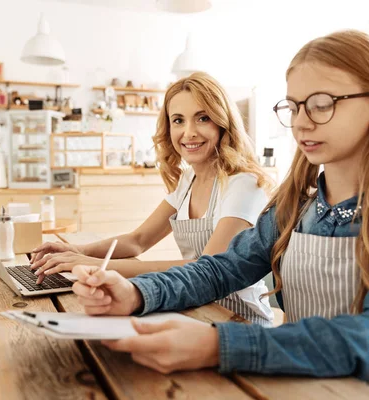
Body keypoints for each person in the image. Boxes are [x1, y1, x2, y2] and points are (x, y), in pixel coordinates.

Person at [69, 30, 369, 399]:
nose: (300, 121)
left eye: (321, 104)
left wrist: (217, 344)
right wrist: (137, 292)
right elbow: (219, 269)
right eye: (294, 106)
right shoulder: (293, 207)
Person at [31, 72, 274, 325]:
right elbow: (138, 240)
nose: (189, 132)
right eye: (178, 120)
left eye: (202, 118)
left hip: (238, 321)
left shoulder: (243, 184)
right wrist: (76, 251)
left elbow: (205, 270)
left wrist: (92, 264)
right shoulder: (187, 181)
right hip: (193, 307)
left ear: (223, 123)